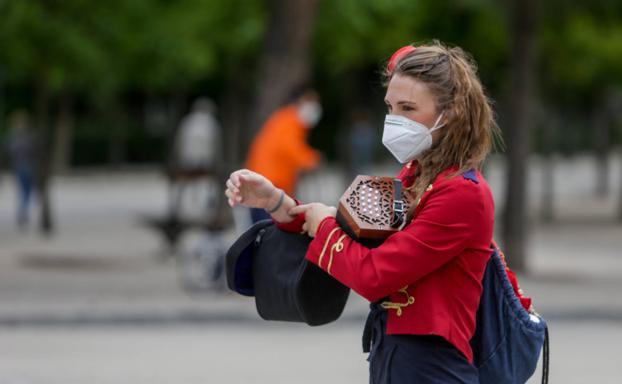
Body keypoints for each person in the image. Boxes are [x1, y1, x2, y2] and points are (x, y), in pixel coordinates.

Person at [225, 41, 501, 383]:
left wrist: (324, 224)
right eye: (390, 107)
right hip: (394, 356)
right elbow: (354, 230)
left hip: (434, 366)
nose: (394, 120)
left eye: (408, 108)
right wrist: (277, 203)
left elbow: (374, 276)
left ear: (453, 111)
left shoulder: (463, 193)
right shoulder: (416, 174)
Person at [245, 85, 322, 222]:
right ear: (299, 101)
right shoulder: (290, 120)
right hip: (269, 187)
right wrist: (311, 159)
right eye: (310, 100)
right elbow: (291, 147)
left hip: (267, 184)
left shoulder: (286, 119)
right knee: (269, 233)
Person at [6, 110, 36, 230]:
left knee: (24, 191)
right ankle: (23, 210)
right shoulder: (28, 136)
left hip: (18, 166)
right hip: (27, 166)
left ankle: (22, 211)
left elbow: (9, 151)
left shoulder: (13, 137)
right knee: (26, 191)